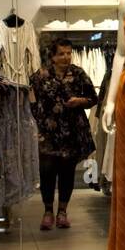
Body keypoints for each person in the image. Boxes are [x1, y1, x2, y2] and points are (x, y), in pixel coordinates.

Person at [28, 38, 97, 230]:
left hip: (72, 132)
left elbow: (93, 98)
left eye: (68, 53)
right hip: (48, 134)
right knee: (47, 172)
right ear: (52, 56)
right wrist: (38, 122)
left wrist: (79, 101)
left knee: (67, 173)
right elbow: (30, 101)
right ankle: (48, 211)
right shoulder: (40, 75)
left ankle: (63, 212)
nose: (66, 57)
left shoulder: (78, 73)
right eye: (61, 53)